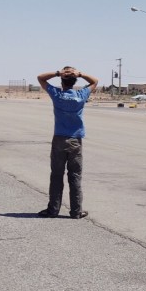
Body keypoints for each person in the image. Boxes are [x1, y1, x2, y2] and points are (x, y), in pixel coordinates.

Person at [36, 66, 98, 219]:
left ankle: (53, 210)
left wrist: (58, 73)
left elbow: (40, 78)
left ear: (62, 81)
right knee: (75, 175)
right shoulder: (81, 95)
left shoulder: (57, 94)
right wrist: (80, 74)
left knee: (56, 175)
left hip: (59, 138)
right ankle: (76, 211)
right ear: (74, 81)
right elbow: (95, 81)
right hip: (75, 140)